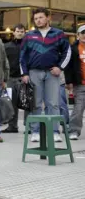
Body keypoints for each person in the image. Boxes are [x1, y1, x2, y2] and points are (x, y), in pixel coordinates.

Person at [20, 8, 71, 143]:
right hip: (34, 73)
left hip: (52, 73)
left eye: (41, 17)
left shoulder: (58, 34)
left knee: (53, 103)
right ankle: (35, 132)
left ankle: (54, 132)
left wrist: (60, 68)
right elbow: (22, 56)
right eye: (36, 19)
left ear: (48, 18)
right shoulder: (29, 36)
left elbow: (67, 52)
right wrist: (24, 73)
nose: (38, 20)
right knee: (35, 104)